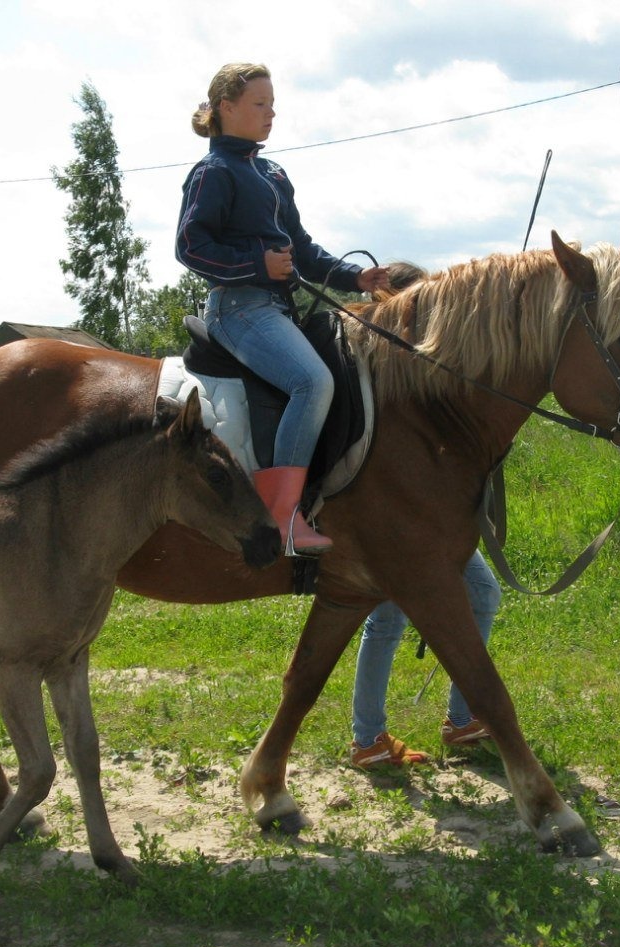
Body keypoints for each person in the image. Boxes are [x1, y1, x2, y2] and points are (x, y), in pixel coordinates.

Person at [176, 62, 389, 556]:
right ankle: (282, 517)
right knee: (312, 382)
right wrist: (256, 263)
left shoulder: (271, 172)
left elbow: (303, 252)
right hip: (237, 308)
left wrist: (353, 277)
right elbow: (189, 246)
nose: (272, 113)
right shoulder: (213, 173)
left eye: (272, 104)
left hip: (276, 307)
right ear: (227, 108)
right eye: (260, 104)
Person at [349, 550, 502, 768]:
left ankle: (462, 721)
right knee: (387, 617)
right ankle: (369, 741)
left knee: (483, 592)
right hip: (396, 524)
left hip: (435, 521)